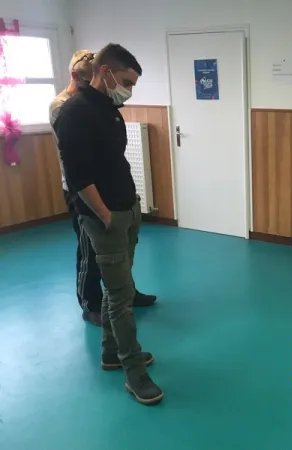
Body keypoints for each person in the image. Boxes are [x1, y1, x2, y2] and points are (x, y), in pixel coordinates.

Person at [53, 43, 163, 405]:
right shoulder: (73, 113)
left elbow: (113, 161)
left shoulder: (108, 109)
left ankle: (111, 353)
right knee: (119, 299)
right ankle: (134, 372)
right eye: (126, 82)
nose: (128, 90)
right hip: (105, 218)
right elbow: (78, 177)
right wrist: (105, 216)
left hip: (126, 209)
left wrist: (131, 206)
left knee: (121, 287)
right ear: (106, 73)